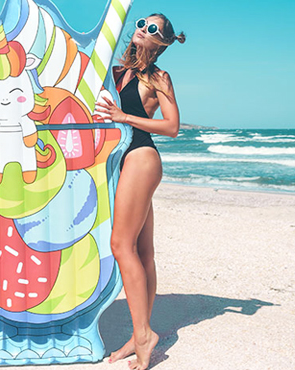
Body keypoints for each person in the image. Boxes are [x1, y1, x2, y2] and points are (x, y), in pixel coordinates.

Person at [95, 13, 185, 370]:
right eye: (142, 22)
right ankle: (138, 335)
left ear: (161, 42)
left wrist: (124, 117)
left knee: (121, 245)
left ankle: (144, 334)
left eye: (153, 29)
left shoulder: (158, 77)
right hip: (118, 161)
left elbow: (172, 126)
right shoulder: (112, 73)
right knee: (143, 251)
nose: (143, 29)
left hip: (142, 157)